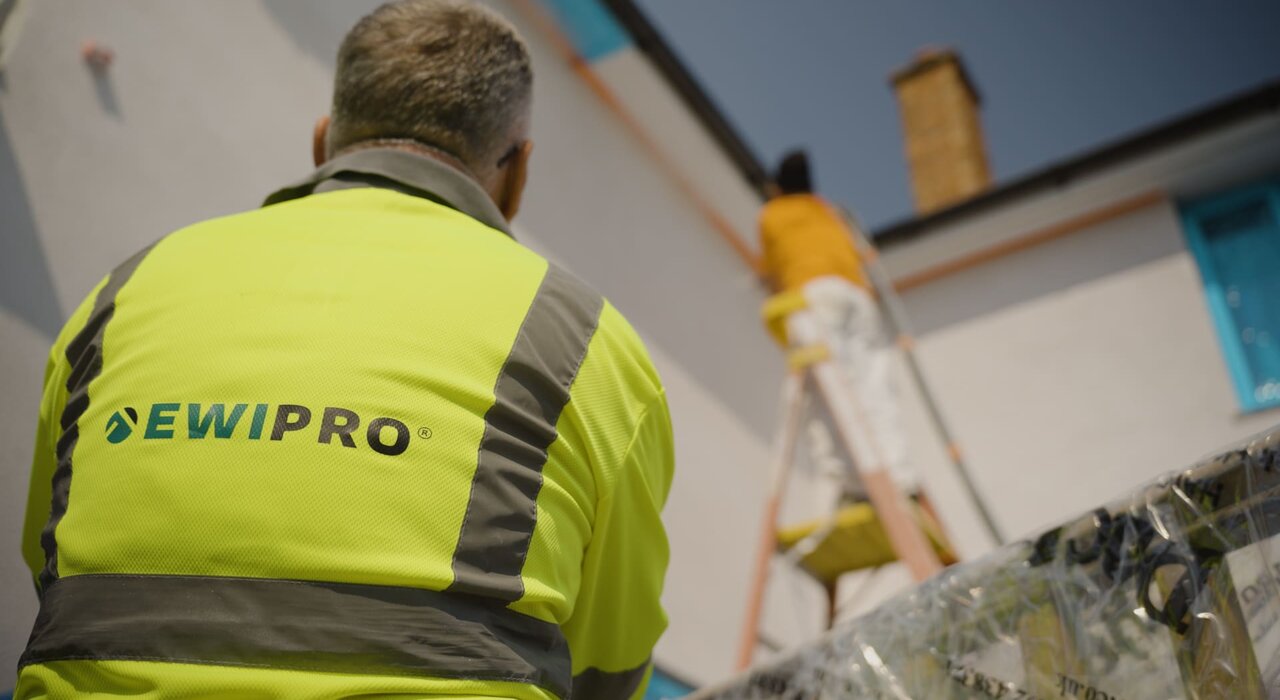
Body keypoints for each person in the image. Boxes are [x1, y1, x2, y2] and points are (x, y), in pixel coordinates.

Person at [18, 2, 673, 698]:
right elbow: (608, 668)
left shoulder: (124, 291)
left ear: (323, 139)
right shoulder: (589, 348)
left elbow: (47, 559)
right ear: (516, 174)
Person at [758, 150, 918, 501]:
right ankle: (902, 477)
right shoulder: (828, 212)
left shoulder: (773, 214)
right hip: (859, 298)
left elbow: (773, 274)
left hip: (815, 295)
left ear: (777, 187)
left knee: (826, 388)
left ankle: (850, 485)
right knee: (875, 385)